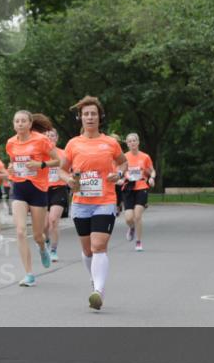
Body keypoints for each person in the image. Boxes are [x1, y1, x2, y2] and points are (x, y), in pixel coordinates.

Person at [63, 96, 126, 311]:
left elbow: (123, 163)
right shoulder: (73, 144)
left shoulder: (110, 143)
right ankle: (94, 280)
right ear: (80, 118)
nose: (90, 117)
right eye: (86, 114)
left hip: (105, 200)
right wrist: (69, 180)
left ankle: (98, 291)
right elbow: (62, 170)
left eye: (94, 114)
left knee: (98, 245)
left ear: (100, 117)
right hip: (81, 202)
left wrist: (118, 174)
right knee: (88, 250)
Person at [5, 111, 61, 286]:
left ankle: (43, 247)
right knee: (20, 231)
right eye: (17, 121)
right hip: (19, 188)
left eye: (23, 121)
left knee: (37, 235)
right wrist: (11, 170)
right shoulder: (10, 143)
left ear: (30, 124)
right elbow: (12, 163)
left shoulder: (41, 140)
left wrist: (40, 164)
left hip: (38, 188)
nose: (20, 124)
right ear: (14, 125)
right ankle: (29, 274)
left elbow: (57, 161)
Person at [121, 133, 156, 252]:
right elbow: (120, 172)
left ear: (138, 142)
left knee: (137, 216)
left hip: (141, 187)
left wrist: (152, 178)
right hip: (128, 188)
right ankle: (131, 228)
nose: (132, 143)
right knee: (128, 218)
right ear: (127, 143)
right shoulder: (124, 157)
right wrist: (119, 179)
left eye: (134, 141)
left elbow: (152, 171)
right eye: (129, 141)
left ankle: (138, 242)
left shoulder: (145, 157)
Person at [44, 128, 69, 262]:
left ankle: (53, 250)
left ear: (57, 138)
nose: (49, 138)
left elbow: (71, 169)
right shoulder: (40, 154)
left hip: (59, 188)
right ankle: (46, 242)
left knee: (53, 220)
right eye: (47, 136)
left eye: (52, 136)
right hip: (42, 190)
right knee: (44, 225)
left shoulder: (63, 153)